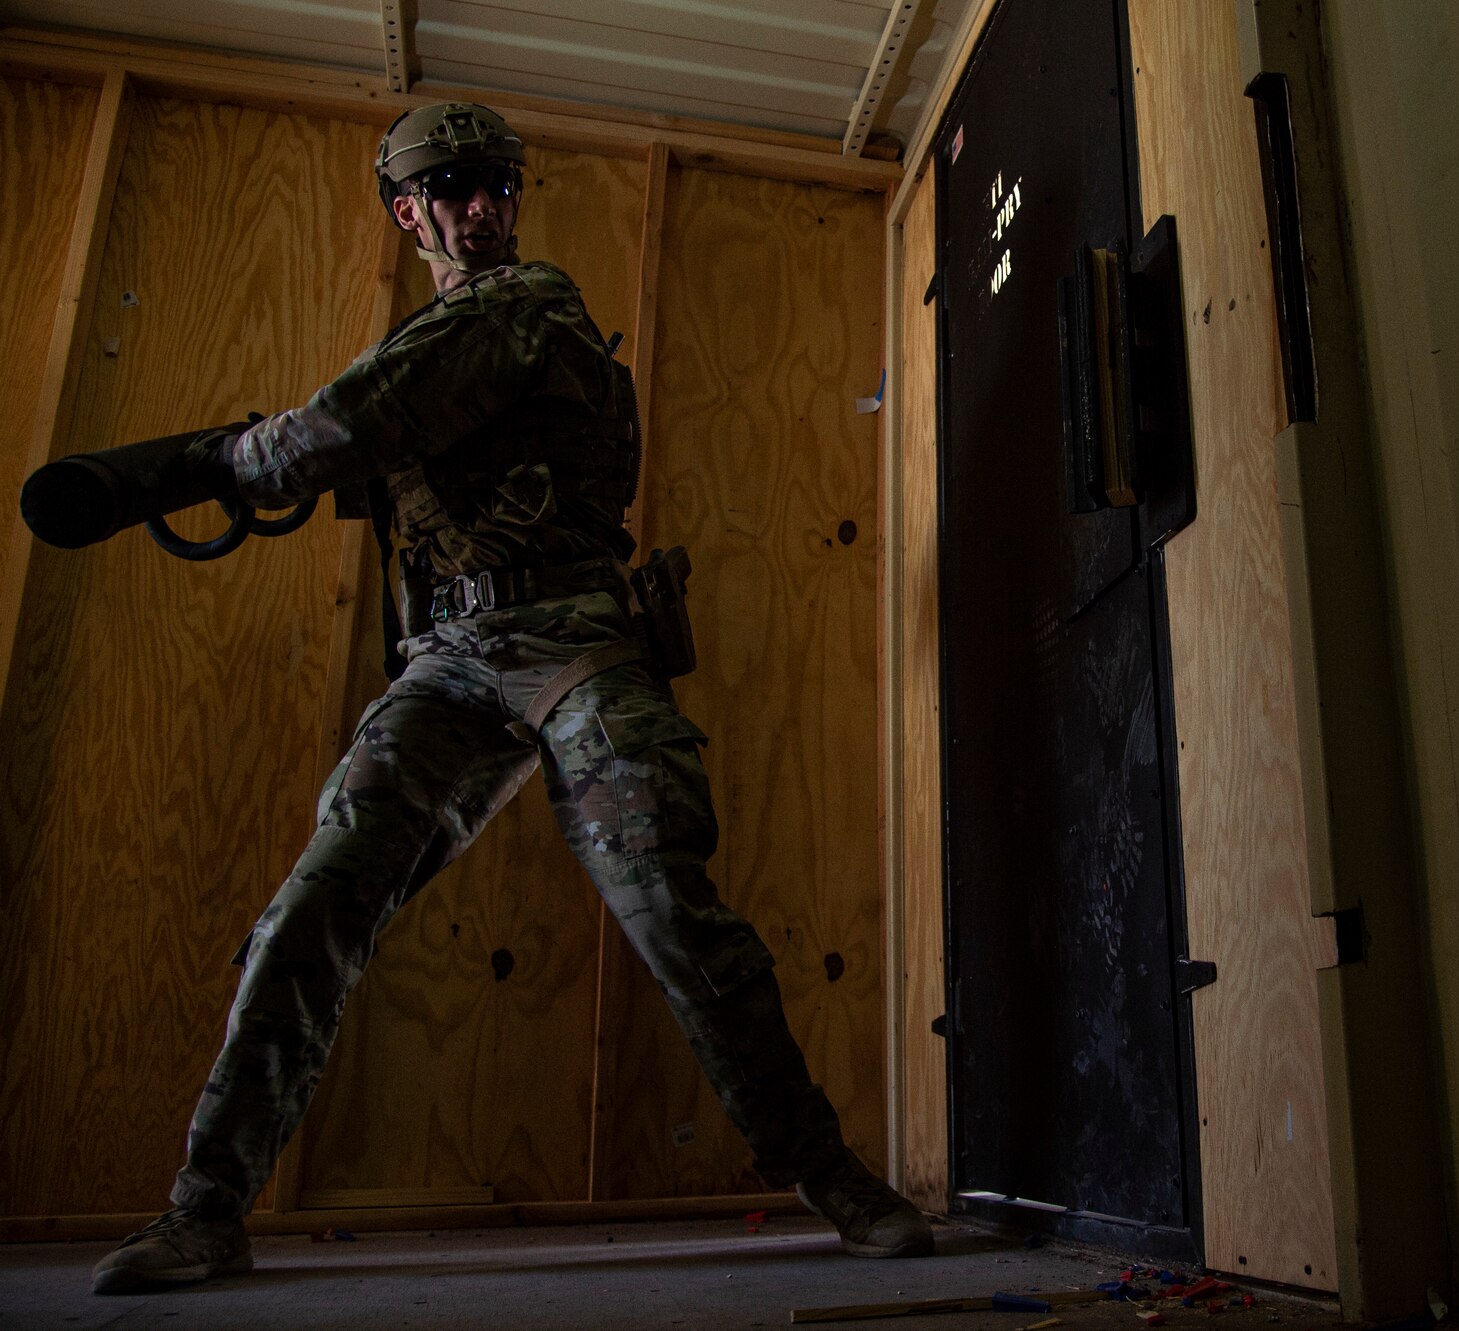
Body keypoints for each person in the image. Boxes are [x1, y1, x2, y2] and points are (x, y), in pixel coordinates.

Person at [91, 102, 932, 1296]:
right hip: (449, 659)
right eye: (453, 186)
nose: (482, 205)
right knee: (309, 909)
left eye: (496, 182)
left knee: (669, 908)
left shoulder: (519, 303)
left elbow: (333, 428)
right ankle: (204, 1209)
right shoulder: (438, 337)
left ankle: (833, 1175)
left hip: (575, 640)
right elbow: (366, 444)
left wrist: (203, 464)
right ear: (408, 209)